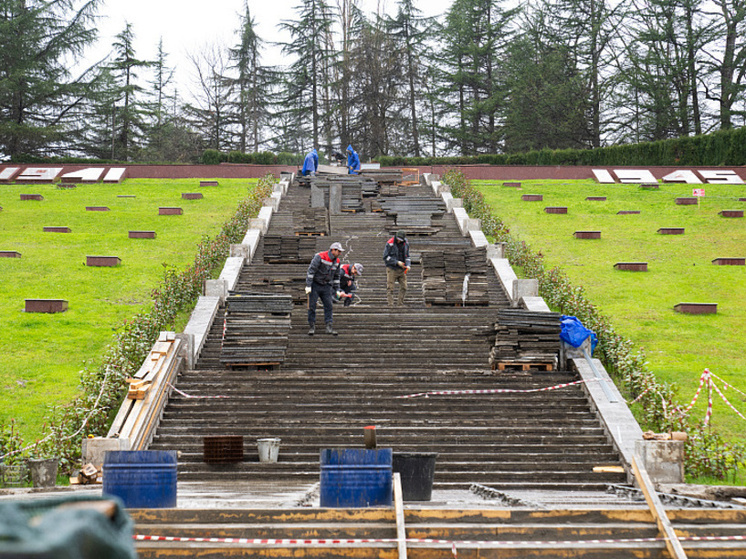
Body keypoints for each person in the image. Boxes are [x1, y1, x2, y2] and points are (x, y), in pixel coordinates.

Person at [305, 241, 345, 335]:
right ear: (333, 250)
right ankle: (312, 326)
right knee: (312, 306)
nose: (340, 253)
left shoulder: (337, 262)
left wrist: (337, 289)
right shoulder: (320, 256)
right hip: (315, 284)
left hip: (326, 286)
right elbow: (311, 271)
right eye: (338, 251)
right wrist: (308, 285)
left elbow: (336, 277)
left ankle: (329, 326)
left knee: (329, 306)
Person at [383, 231, 410, 307]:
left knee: (404, 287)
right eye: (398, 239)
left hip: (402, 269)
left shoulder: (406, 243)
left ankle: (400, 304)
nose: (399, 241)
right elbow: (385, 257)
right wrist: (396, 262)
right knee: (390, 288)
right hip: (392, 269)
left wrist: (408, 265)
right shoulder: (390, 243)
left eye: (400, 240)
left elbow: (407, 256)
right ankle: (391, 305)